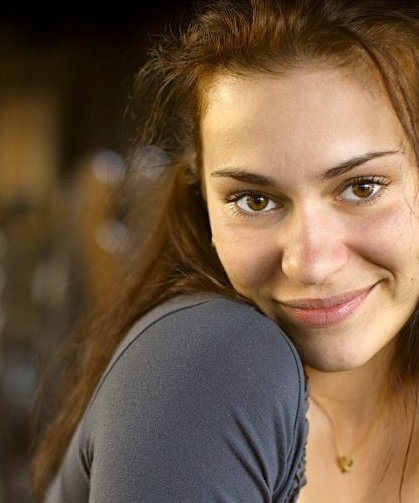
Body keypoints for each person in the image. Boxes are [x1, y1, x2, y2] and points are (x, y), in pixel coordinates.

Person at [31, 0, 419, 501]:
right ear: (204, 204)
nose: (310, 263)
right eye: (254, 200)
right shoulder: (211, 361)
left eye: (362, 187)